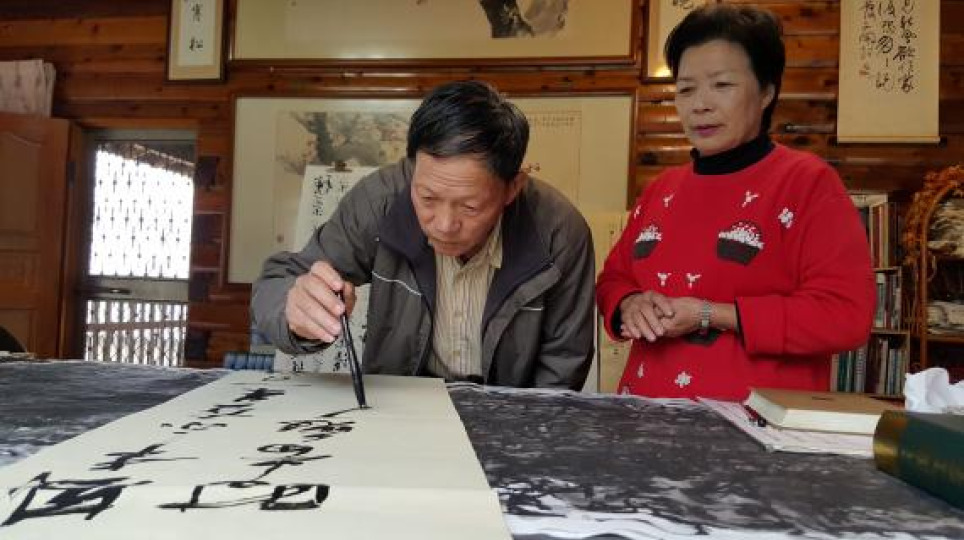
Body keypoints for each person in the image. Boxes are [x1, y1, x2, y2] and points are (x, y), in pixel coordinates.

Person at [596, 4, 874, 400]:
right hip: (643, 415)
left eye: (722, 85)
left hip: (754, 424)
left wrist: (710, 314)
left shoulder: (807, 183)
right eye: (686, 89)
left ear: (766, 92)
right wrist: (630, 303)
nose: (700, 104)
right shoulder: (661, 189)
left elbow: (846, 315)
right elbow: (613, 279)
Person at [252, 80, 594, 389]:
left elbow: (563, 365)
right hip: (400, 404)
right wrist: (294, 309)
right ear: (412, 168)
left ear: (512, 189)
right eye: (427, 197)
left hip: (506, 412)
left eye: (469, 207)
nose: (443, 224)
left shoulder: (558, 231)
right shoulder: (379, 201)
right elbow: (280, 280)